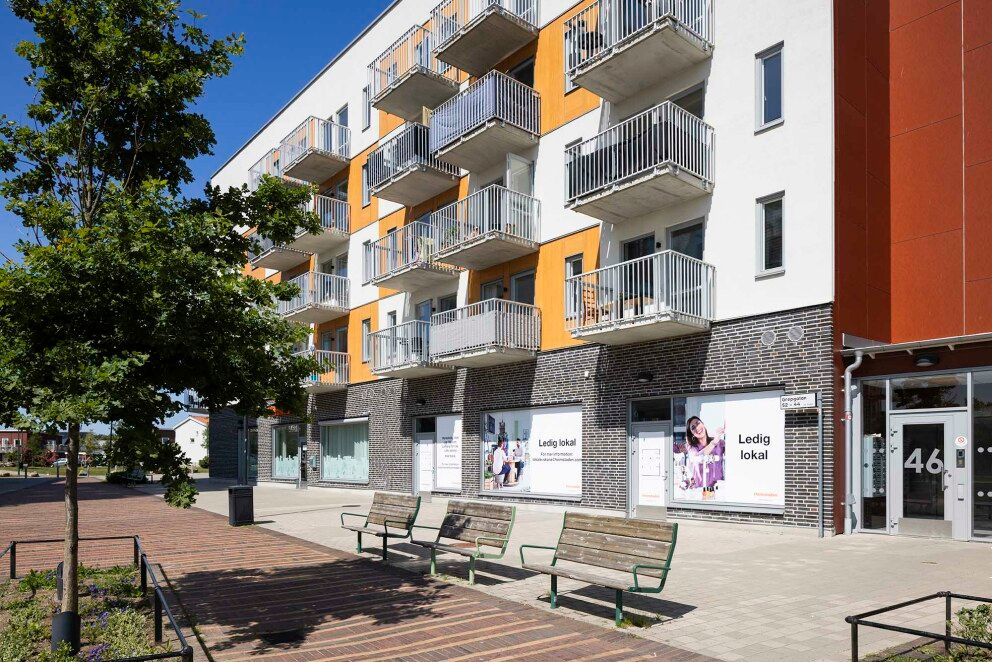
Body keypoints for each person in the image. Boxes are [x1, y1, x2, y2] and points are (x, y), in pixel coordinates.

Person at [685, 416, 726, 500]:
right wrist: (714, 442)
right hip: (701, 490)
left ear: (703, 424)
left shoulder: (720, 443)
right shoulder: (692, 448)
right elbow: (699, 457)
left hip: (719, 490)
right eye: (693, 428)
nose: (697, 428)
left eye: (698, 423)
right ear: (692, 434)